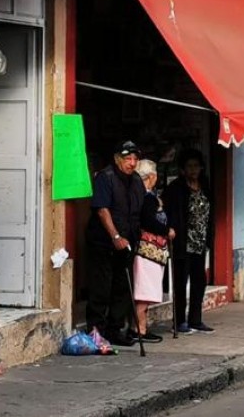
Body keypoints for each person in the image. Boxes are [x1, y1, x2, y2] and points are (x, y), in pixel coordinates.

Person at [85, 140, 145, 346]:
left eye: (135, 159)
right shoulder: (106, 177)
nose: (132, 163)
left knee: (122, 288)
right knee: (101, 287)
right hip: (104, 243)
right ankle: (96, 330)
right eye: (128, 159)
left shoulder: (137, 180)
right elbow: (102, 209)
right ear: (118, 159)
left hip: (128, 242)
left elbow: (140, 210)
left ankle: (115, 329)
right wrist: (116, 236)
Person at [162, 149, 215, 334]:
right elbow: (170, 213)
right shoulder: (176, 188)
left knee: (199, 281)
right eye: (189, 167)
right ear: (183, 169)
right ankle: (179, 321)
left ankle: (196, 319)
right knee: (180, 282)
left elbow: (210, 214)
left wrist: (209, 238)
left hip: (200, 242)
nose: (193, 170)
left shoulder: (205, 185)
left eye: (196, 166)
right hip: (182, 242)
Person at [132, 159, 175, 343]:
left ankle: (141, 327)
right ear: (152, 177)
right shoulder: (147, 197)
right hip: (147, 251)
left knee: (145, 291)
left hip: (149, 251)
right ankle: (139, 329)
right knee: (144, 292)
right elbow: (148, 221)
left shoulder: (144, 195)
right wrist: (167, 231)